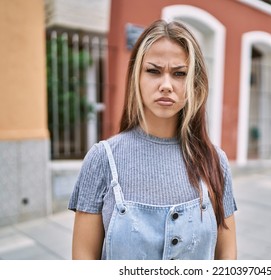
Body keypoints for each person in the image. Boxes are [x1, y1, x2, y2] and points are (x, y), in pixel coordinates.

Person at [68, 19, 237, 260]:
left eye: (179, 73)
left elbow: (227, 256)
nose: (166, 85)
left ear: (193, 83)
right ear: (136, 76)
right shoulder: (103, 159)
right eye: (154, 71)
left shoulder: (214, 162)